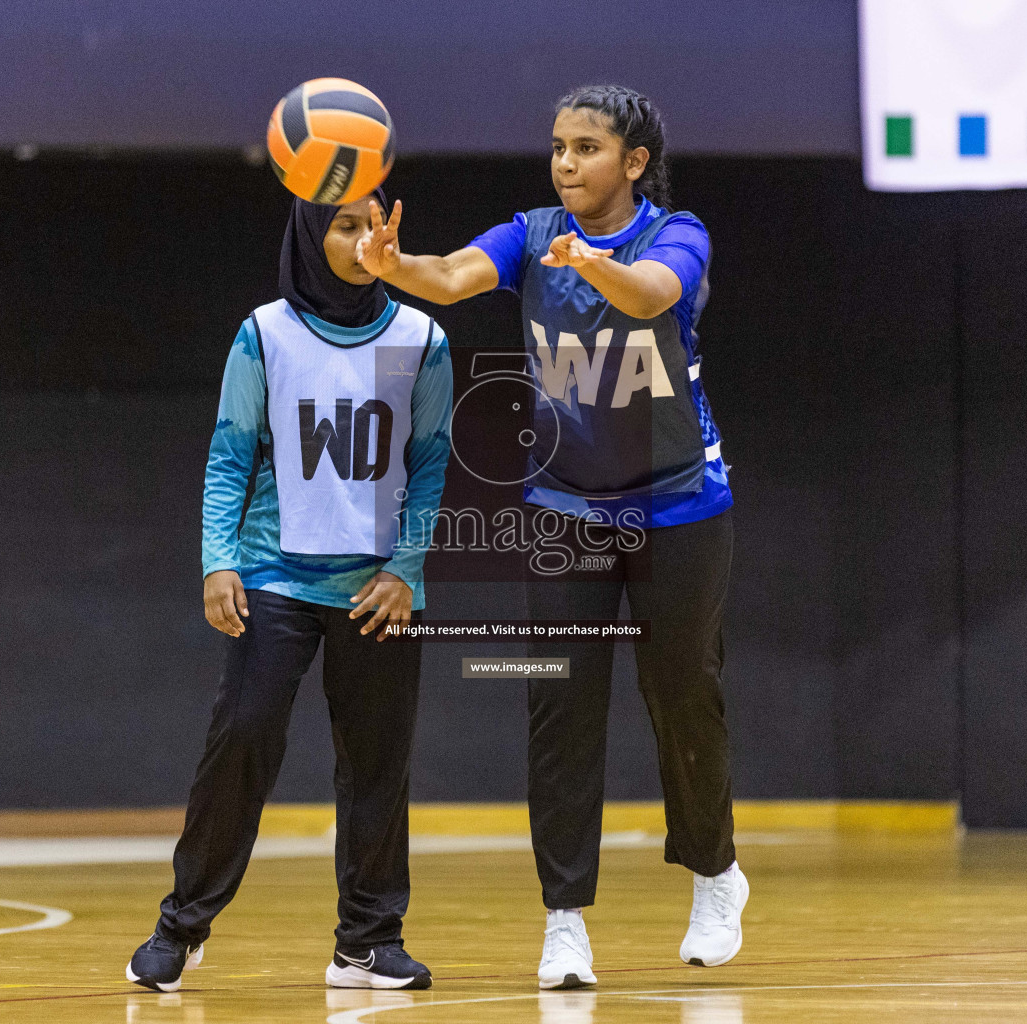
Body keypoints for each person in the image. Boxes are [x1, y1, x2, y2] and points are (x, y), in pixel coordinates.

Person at [356, 85, 744, 989]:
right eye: (558, 146)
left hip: (680, 505)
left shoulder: (676, 235)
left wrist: (594, 265)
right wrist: (393, 265)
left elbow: (651, 294)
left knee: (682, 693)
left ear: (634, 162)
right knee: (560, 707)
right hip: (567, 507)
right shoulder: (531, 233)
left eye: (586, 148)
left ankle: (716, 875)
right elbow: (451, 277)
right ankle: (565, 921)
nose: (565, 162)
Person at [125, 191, 453, 993]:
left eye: (372, 225)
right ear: (311, 237)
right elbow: (230, 456)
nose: (360, 239)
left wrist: (407, 569)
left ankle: (368, 941)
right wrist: (218, 560)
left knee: (378, 763)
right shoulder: (265, 332)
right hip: (275, 575)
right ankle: (181, 927)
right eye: (343, 226)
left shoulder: (422, 337)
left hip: (377, 589)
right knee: (242, 739)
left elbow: (434, 464)